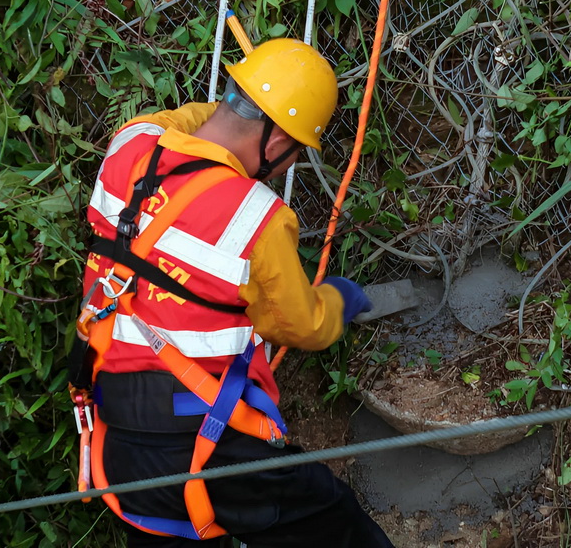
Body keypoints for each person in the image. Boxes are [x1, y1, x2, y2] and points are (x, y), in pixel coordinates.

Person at [75, 38, 395, 547]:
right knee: (338, 524)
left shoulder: (131, 143)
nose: (288, 164)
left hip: (115, 442)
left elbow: (186, 121)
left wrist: (240, 105)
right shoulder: (255, 219)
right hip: (205, 448)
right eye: (294, 152)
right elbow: (300, 324)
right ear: (275, 144)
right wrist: (338, 301)